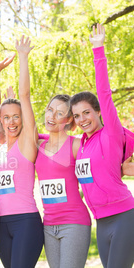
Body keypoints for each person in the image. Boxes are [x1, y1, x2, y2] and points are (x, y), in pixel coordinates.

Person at [70, 24, 134, 268]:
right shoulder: (82, 146)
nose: (82, 119)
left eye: (87, 112)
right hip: (102, 222)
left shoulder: (111, 134)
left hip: (124, 217)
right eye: (77, 116)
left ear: (98, 112)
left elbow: (104, 92)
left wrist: (98, 49)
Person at [0, 35, 44, 268]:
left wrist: (23, 57)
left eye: (16, 117)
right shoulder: (1, 142)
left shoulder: (26, 142)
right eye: (6, 117)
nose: (11, 121)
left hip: (26, 221)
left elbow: (24, 96)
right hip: (1, 225)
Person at [35, 94, 91, 268]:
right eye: (50, 110)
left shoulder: (76, 146)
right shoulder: (38, 146)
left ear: (68, 120)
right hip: (49, 225)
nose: (51, 116)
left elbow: (94, 175)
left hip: (74, 223)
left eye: (59, 114)